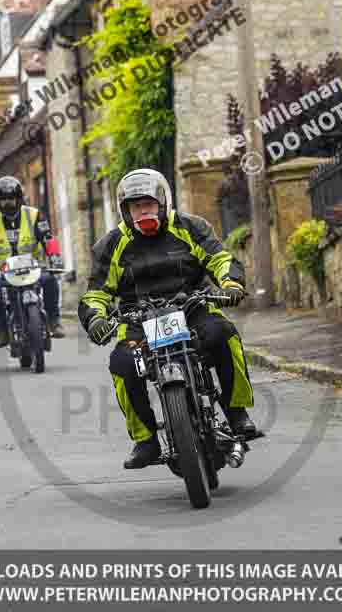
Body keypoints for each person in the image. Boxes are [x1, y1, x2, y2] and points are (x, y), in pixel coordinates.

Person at [78, 168, 260, 470]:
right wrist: (96, 319)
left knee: (224, 335)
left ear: (163, 202)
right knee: (123, 364)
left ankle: (236, 411)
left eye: (148, 204)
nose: (143, 211)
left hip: (192, 307)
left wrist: (231, 284)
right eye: (136, 206)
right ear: (125, 210)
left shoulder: (191, 226)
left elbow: (220, 258)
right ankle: (146, 440)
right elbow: (96, 293)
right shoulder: (110, 245)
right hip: (138, 318)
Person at [0, 176, 65, 347]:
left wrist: (55, 258)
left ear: (19, 198)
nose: (8, 204)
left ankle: (54, 321)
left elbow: (48, 238)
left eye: (12, 199)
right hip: (2, 271)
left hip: (32, 268)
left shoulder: (35, 215)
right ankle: (0, 329)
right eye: (4, 201)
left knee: (50, 279)